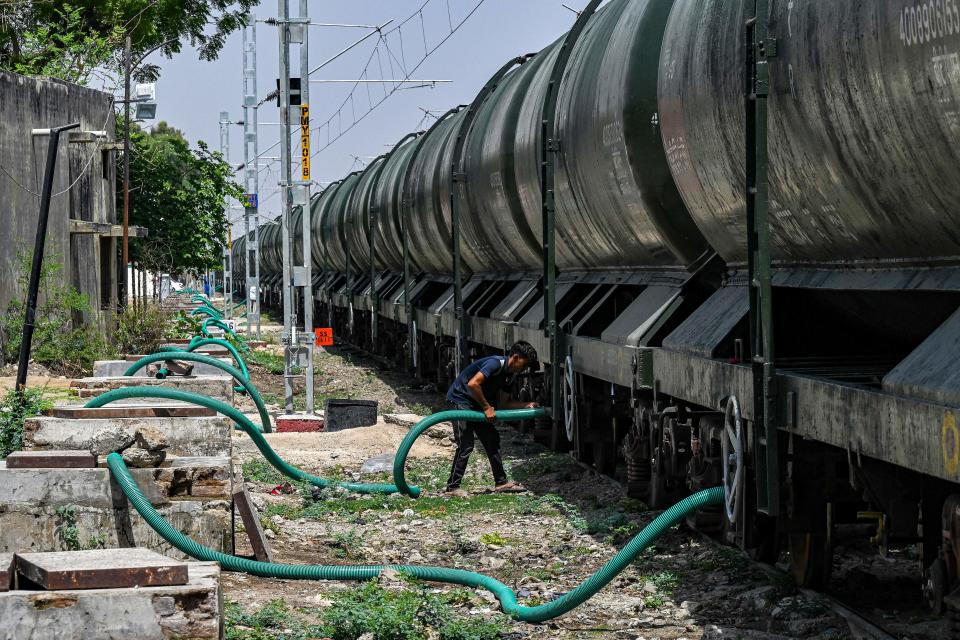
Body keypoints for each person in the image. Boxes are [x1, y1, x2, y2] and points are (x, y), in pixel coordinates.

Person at [444, 341, 539, 497]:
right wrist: (487, 408)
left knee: (491, 438)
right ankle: (452, 487)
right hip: (460, 400)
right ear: (515, 358)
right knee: (466, 444)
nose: (524, 369)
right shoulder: (495, 364)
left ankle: (501, 483)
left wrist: (526, 404)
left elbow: (504, 403)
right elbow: (473, 384)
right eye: (524, 364)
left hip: (476, 404)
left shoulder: (510, 375)